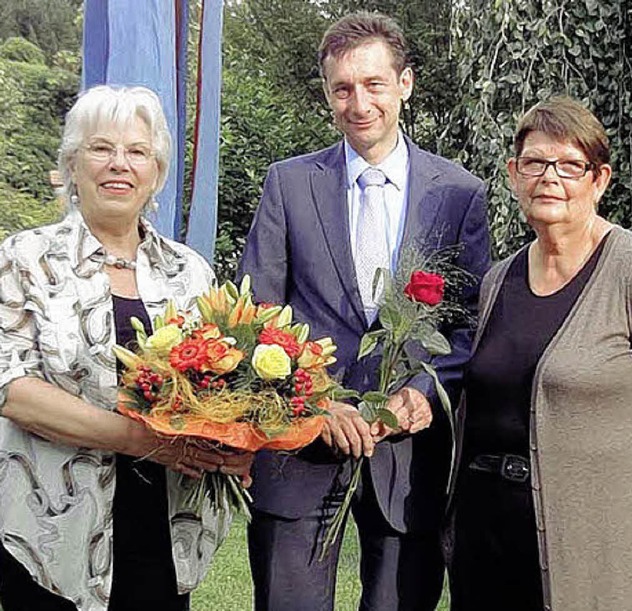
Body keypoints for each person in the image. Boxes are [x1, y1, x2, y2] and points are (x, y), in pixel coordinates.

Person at [238, 12, 491, 611]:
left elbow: (467, 324)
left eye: (374, 84)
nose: (359, 103)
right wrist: (314, 402)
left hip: (406, 464)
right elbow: (255, 317)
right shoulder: (289, 185)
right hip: (300, 452)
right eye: (342, 89)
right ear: (328, 93)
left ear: (404, 84)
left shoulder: (458, 194)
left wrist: (426, 394)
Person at [0, 85, 252, 611]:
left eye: (137, 151)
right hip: (52, 536)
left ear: (157, 171)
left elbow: (227, 385)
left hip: (166, 532)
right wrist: (148, 441)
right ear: (72, 164)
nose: (119, 164)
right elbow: (12, 391)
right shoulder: (26, 259)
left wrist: (235, 442)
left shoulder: (190, 273)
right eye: (100, 148)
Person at [448, 96, 632, 611]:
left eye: (570, 165)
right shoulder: (498, 280)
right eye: (534, 163)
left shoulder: (630, 268)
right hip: (485, 541)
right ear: (514, 174)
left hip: (589, 546)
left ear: (599, 180)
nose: (549, 177)